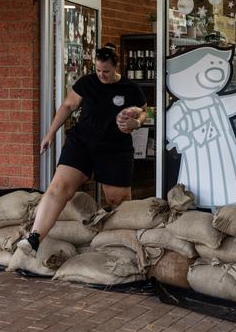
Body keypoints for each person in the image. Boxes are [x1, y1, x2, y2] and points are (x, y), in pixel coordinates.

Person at [17, 43, 147, 256]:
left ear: (115, 67)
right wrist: (50, 133)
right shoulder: (86, 83)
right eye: (97, 70)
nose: (101, 75)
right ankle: (34, 238)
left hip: (115, 148)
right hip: (82, 143)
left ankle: (127, 250)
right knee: (58, 188)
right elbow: (68, 106)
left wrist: (137, 122)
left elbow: (143, 112)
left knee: (117, 201)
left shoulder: (130, 88)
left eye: (106, 71)